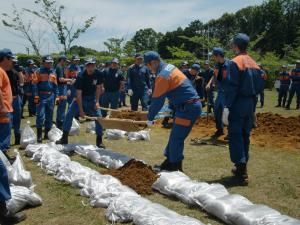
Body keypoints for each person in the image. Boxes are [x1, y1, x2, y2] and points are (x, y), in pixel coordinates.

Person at [144, 51, 201, 172]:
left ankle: (175, 168)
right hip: (186, 106)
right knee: (174, 135)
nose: (149, 69)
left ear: (153, 63)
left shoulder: (163, 75)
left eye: (148, 66)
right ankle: (169, 162)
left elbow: (157, 101)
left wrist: (149, 118)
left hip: (187, 108)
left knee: (176, 138)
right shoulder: (169, 67)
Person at [225, 33, 263, 186]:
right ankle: (242, 167)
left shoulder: (235, 62)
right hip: (251, 103)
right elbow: (260, 86)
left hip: (238, 102)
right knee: (245, 135)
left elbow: (232, 87)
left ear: (236, 45)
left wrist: (228, 106)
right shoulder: (254, 63)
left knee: (235, 135)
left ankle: (241, 174)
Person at [56, 57, 105, 148]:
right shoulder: (81, 76)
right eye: (88, 65)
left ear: (95, 65)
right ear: (86, 66)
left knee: (99, 118)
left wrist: (97, 102)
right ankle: (64, 137)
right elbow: (78, 94)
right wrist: (81, 111)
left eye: (92, 65)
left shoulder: (99, 74)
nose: (90, 67)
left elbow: (98, 88)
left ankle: (99, 140)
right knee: (69, 114)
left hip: (92, 98)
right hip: (80, 98)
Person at [32, 55, 58, 143]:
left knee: (50, 116)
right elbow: (34, 85)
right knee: (40, 116)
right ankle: (39, 136)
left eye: (51, 62)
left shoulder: (53, 72)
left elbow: (55, 86)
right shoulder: (38, 71)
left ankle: (46, 134)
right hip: (41, 96)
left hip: (51, 96)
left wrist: (57, 97)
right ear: (43, 62)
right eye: (48, 62)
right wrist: (36, 97)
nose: (50, 64)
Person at [206, 47, 230, 138]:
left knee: (227, 113)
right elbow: (214, 75)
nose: (212, 57)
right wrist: (209, 83)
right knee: (217, 111)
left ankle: (230, 132)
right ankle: (220, 130)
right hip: (220, 92)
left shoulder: (229, 65)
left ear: (219, 55)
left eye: (213, 56)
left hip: (228, 93)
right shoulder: (217, 65)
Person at [6, 55, 24, 145]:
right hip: (7, 100)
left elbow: (22, 81)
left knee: (17, 118)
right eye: (13, 62)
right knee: (8, 120)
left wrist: (19, 72)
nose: (14, 64)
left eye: (15, 62)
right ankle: (7, 142)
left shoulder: (15, 71)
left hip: (16, 98)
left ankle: (17, 137)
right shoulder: (3, 71)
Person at [55, 55, 73, 129]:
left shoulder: (61, 67)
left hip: (63, 88)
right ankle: (60, 123)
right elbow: (60, 79)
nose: (65, 62)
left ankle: (59, 122)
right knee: (61, 106)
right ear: (61, 60)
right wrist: (70, 80)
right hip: (61, 89)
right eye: (65, 60)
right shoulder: (59, 67)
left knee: (62, 106)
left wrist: (68, 83)